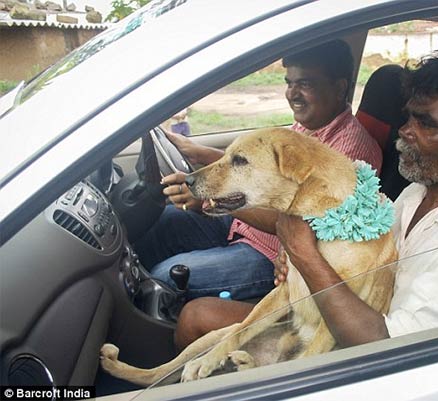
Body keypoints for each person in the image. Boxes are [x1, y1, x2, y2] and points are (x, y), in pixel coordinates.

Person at [175, 48, 438, 350]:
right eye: (408, 118)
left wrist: (305, 255)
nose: (405, 131)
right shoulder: (419, 192)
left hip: (357, 353)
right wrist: (296, 263)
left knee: (197, 318)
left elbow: (384, 346)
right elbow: (359, 252)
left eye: (427, 124)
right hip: (332, 314)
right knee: (197, 317)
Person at [134, 40, 382, 305]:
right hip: (244, 226)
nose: (292, 94)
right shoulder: (307, 128)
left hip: (273, 255)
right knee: (165, 221)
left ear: (339, 87)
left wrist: (213, 200)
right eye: (289, 83)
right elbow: (256, 169)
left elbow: (300, 224)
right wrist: (199, 153)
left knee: (164, 277)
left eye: (305, 84)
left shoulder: (348, 154)